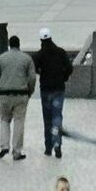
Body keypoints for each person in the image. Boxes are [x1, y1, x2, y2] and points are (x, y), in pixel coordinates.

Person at [0, 34, 36, 159]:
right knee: (19, 121)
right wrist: (30, 91)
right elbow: (32, 77)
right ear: (19, 44)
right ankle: (16, 151)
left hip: (4, 94)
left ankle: (4, 146)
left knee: (4, 120)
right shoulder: (27, 59)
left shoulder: (1, 58)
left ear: (9, 45)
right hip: (21, 94)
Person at [34, 29, 73, 158]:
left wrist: (42, 73)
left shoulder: (39, 55)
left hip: (45, 89)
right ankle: (58, 144)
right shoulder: (60, 52)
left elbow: (34, 68)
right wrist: (64, 77)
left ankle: (48, 147)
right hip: (58, 89)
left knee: (47, 118)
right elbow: (69, 67)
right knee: (57, 117)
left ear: (41, 40)